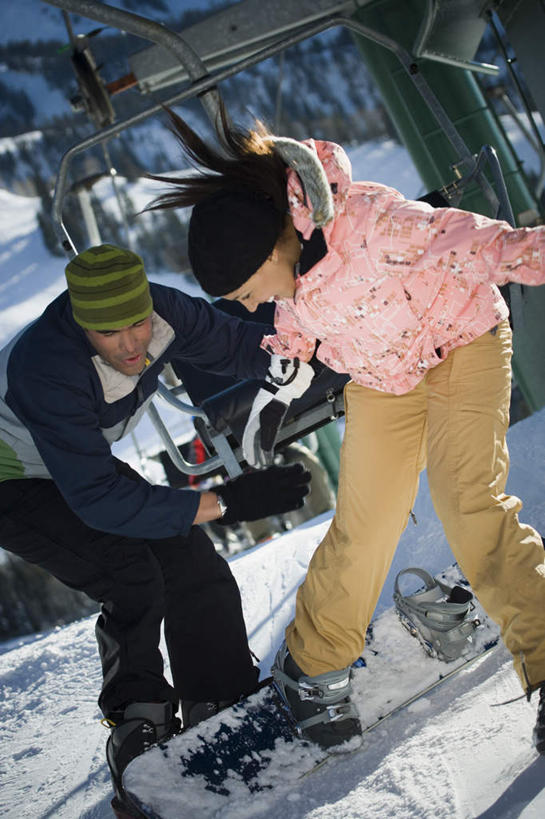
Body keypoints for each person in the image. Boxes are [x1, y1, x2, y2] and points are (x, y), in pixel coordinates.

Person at [145, 104, 545, 754]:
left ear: (273, 246)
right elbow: (294, 332)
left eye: (245, 292)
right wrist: (271, 398)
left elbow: (483, 244)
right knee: (365, 524)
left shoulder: (375, 225)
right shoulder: (289, 281)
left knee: (467, 501)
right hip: (383, 379)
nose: (251, 305)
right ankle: (311, 666)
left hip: (464, 340)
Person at [0, 243, 313, 817]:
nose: (131, 344)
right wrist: (225, 502)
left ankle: (222, 701)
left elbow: (237, 344)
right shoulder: (46, 366)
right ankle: (138, 727)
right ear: (80, 324)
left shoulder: (165, 313)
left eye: (138, 323)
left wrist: (312, 351)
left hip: (73, 463)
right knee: (129, 574)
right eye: (109, 332)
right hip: (13, 481)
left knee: (191, 560)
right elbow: (98, 499)